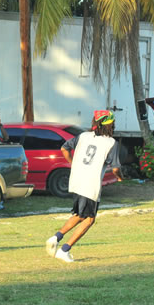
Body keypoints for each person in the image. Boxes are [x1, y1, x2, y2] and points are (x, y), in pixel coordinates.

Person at [45, 110, 123, 262]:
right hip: (90, 183)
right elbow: (115, 168)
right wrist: (120, 177)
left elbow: (64, 148)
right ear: (109, 125)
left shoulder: (83, 136)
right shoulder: (111, 143)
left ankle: (56, 238)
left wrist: (72, 163)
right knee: (89, 219)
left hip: (77, 180)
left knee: (80, 215)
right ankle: (64, 250)